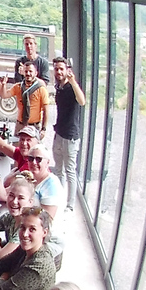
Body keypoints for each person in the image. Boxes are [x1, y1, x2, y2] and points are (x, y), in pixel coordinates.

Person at [51, 57, 86, 213]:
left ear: (67, 70)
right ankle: (58, 198)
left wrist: (73, 82)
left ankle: (70, 206)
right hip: (58, 133)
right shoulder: (59, 87)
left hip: (70, 137)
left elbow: (82, 101)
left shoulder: (72, 87)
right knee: (58, 170)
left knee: (70, 171)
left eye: (61, 69)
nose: (59, 71)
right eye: (56, 69)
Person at [0, 62, 50, 137]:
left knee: (32, 148)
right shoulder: (18, 87)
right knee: (16, 147)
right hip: (20, 125)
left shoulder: (41, 89)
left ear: (36, 73)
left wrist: (44, 129)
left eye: (30, 71)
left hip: (34, 126)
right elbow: (4, 95)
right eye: (26, 71)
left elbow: (46, 110)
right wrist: (3, 84)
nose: (28, 73)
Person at [27, 144, 65, 220]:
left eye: (38, 159)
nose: (34, 162)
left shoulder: (52, 185)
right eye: (31, 158)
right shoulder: (30, 178)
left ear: (47, 163)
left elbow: (47, 220)